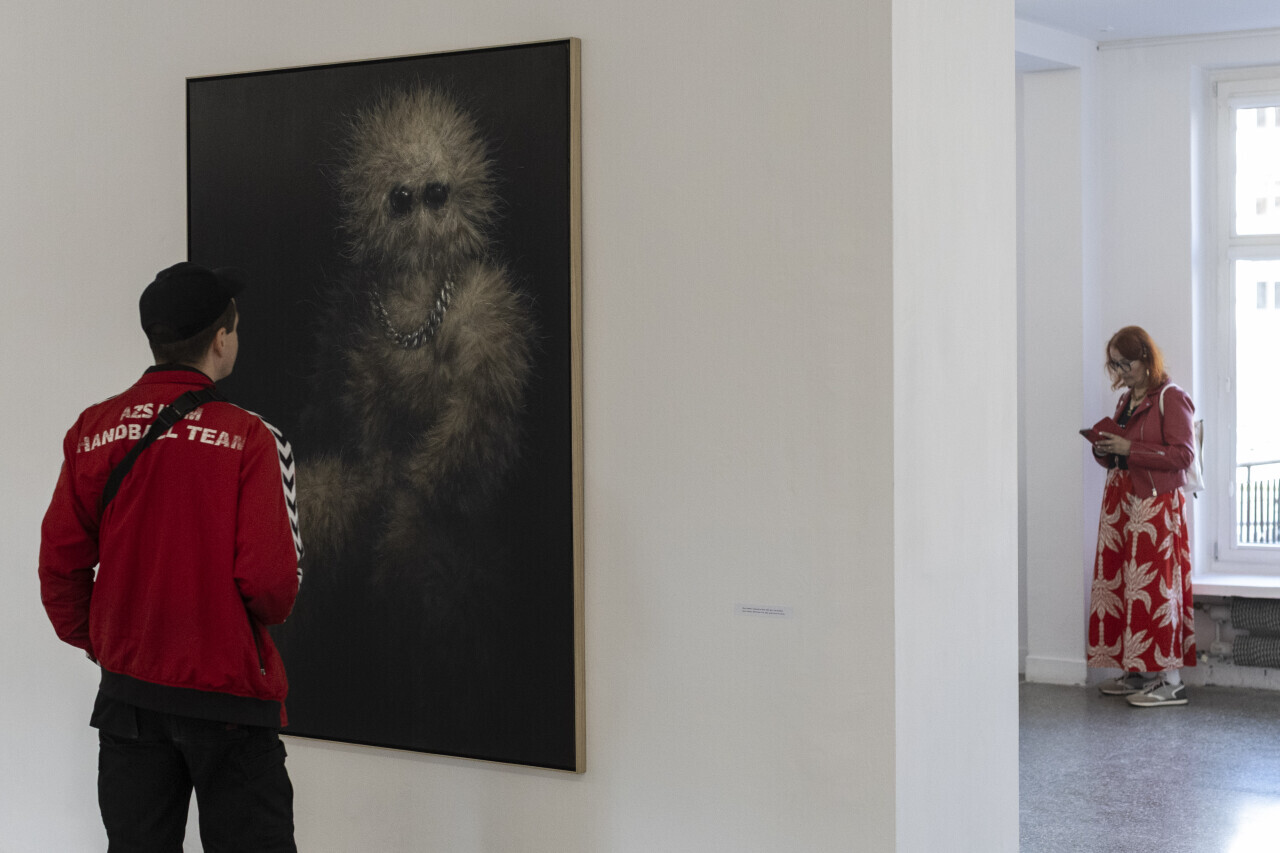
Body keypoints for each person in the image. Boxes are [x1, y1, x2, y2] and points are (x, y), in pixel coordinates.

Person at [39, 262, 303, 851]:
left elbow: (59, 568)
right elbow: (272, 586)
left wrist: (109, 643)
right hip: (230, 704)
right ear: (221, 340)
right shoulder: (251, 437)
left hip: (128, 700)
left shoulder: (92, 429)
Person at [1088, 325, 1196, 707]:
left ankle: (1171, 681)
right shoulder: (1127, 400)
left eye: (1126, 363)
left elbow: (1183, 455)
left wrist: (1129, 449)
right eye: (1115, 364)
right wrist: (1105, 448)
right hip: (1122, 503)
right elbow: (1123, 452)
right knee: (1123, 587)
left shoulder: (1171, 397)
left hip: (1154, 506)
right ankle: (1137, 672)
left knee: (1156, 590)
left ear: (1146, 359)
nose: (1121, 371)